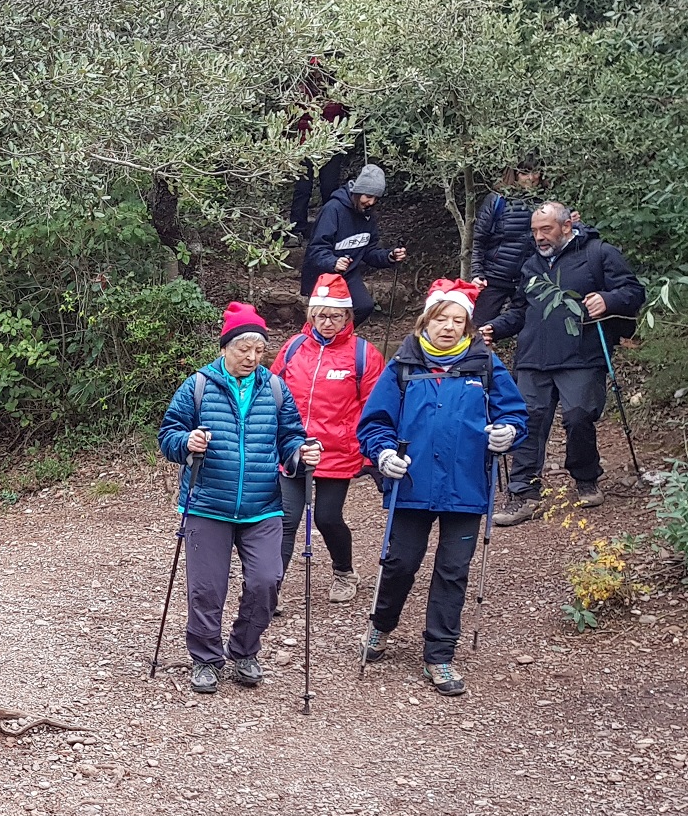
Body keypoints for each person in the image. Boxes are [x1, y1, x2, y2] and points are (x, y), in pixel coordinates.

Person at [356, 280, 528, 696]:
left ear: (467, 326)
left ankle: (439, 655)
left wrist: (507, 432)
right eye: (441, 319)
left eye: (457, 320)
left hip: (466, 487)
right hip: (412, 484)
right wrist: (383, 453)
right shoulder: (403, 365)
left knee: (453, 571)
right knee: (400, 563)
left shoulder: (485, 365)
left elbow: (514, 414)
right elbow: (374, 423)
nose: (448, 327)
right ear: (426, 322)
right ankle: (382, 625)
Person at [158, 302, 320, 694]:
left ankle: (244, 650)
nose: (251, 356)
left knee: (267, 581)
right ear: (225, 347)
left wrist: (301, 453)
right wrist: (187, 441)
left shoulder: (275, 388)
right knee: (206, 588)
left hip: (262, 505)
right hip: (207, 503)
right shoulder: (197, 386)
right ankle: (206, 658)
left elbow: (290, 437)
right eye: (243, 348)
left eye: (259, 349)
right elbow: (168, 435)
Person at [483, 201, 645, 524]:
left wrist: (608, 299)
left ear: (566, 226)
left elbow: (633, 292)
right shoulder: (531, 264)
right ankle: (523, 494)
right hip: (533, 357)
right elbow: (520, 310)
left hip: (581, 355)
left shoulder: (598, 253)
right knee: (527, 422)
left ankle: (586, 478)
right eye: (535, 231)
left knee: (579, 418)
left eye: (546, 229)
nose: (539, 237)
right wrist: (495, 328)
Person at [272, 273, 383, 604]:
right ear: (311, 314)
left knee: (327, 517)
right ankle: (269, 588)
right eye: (320, 315)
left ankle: (344, 572)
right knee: (286, 518)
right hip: (293, 448)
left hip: (337, 451)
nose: (327, 322)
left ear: (348, 316)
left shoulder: (363, 354)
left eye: (335, 316)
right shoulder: (294, 347)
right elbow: (272, 391)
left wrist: (371, 454)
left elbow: (375, 407)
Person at [301, 163, 408, 325]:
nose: (371, 202)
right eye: (368, 196)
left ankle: (340, 337)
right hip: (323, 275)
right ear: (357, 192)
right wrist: (333, 262)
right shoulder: (333, 209)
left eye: (376, 198)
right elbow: (316, 249)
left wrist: (389, 256)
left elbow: (369, 251)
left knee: (364, 306)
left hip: (349, 274)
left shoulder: (368, 216)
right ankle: (323, 337)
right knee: (326, 315)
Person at [287, 57, 356, 241]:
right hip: (305, 145)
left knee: (329, 188)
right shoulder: (300, 89)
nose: (316, 73)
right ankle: (296, 229)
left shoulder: (337, 90)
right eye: (313, 69)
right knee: (302, 188)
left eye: (319, 69)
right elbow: (293, 115)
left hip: (330, 144)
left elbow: (349, 110)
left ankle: (331, 227)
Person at [467, 166, 543, 330]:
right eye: (524, 173)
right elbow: (479, 239)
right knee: (477, 329)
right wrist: (477, 273)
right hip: (494, 277)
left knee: (530, 330)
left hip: (529, 279)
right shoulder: (498, 200)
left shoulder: (548, 202)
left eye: (535, 172)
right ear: (515, 174)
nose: (531, 178)